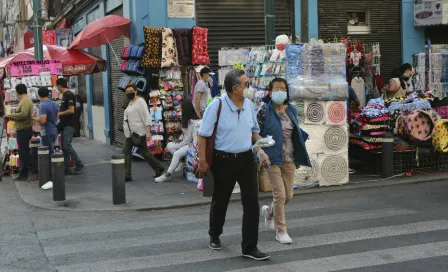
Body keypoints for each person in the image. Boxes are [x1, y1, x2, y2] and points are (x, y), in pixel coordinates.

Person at [197, 69, 270, 261]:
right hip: (223, 160)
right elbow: (203, 135)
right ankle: (214, 233)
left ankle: (249, 246)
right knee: (221, 200)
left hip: (246, 159)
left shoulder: (249, 105)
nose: (249, 87)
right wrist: (203, 160)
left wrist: (261, 147)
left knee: (252, 203)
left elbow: (254, 131)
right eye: (246, 84)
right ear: (235, 88)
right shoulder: (217, 106)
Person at [257, 78, 310, 244]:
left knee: (288, 195)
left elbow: (294, 132)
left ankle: (269, 212)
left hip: (289, 157)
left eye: (283, 88)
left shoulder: (292, 110)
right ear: (270, 91)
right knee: (279, 195)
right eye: (276, 88)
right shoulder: (264, 110)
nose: (280, 91)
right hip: (271, 158)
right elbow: (256, 133)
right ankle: (281, 231)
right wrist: (260, 152)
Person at [122, 84, 164, 181]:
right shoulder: (130, 103)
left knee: (143, 152)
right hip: (130, 134)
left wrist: (148, 132)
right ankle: (127, 174)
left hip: (138, 133)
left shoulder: (140, 102)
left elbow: (147, 117)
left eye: (131, 90)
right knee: (127, 152)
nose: (129, 93)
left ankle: (159, 168)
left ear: (136, 91)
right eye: (127, 91)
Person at [155, 101, 200, 183]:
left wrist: (180, 145)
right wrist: (179, 139)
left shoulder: (193, 122)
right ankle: (182, 161)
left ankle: (168, 174)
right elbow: (185, 134)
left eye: (182, 108)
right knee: (169, 145)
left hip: (192, 144)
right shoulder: (187, 119)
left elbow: (188, 140)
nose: (180, 110)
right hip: (187, 143)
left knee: (176, 154)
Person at [8, 84, 38, 181]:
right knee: (22, 152)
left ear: (18, 92)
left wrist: (12, 115)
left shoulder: (25, 101)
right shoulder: (25, 101)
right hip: (22, 129)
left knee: (24, 153)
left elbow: (24, 114)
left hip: (24, 129)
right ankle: (23, 173)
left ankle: (35, 170)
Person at [57, 78, 84, 175]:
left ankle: (79, 164)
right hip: (65, 125)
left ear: (59, 86)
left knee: (67, 145)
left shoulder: (69, 95)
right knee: (64, 147)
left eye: (57, 87)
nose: (57, 88)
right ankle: (66, 167)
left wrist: (59, 114)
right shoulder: (65, 95)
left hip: (70, 125)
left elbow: (71, 110)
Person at [32, 87, 59, 154]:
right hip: (54, 129)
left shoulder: (43, 105)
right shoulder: (54, 104)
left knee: (47, 153)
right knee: (51, 150)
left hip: (46, 132)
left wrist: (33, 118)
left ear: (39, 95)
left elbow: (42, 121)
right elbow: (57, 117)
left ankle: (49, 164)